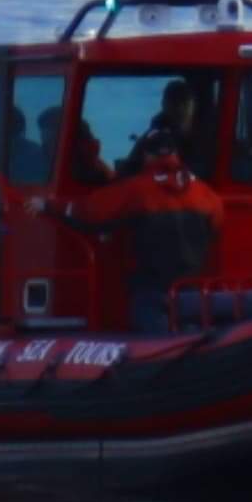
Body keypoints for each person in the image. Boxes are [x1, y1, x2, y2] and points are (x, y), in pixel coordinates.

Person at [28, 131, 224, 333]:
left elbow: (90, 211)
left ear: (147, 155)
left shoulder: (137, 190)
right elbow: (216, 224)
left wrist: (49, 206)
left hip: (152, 296)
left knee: (152, 335)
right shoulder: (207, 195)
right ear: (176, 153)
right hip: (193, 294)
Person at [118, 79, 195, 177]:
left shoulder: (208, 139)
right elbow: (126, 175)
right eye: (174, 102)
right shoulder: (150, 141)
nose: (180, 108)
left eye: (184, 101)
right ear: (163, 104)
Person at [39, 104, 113, 188]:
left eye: (53, 143)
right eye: (45, 145)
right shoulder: (39, 172)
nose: (48, 151)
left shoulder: (102, 179)